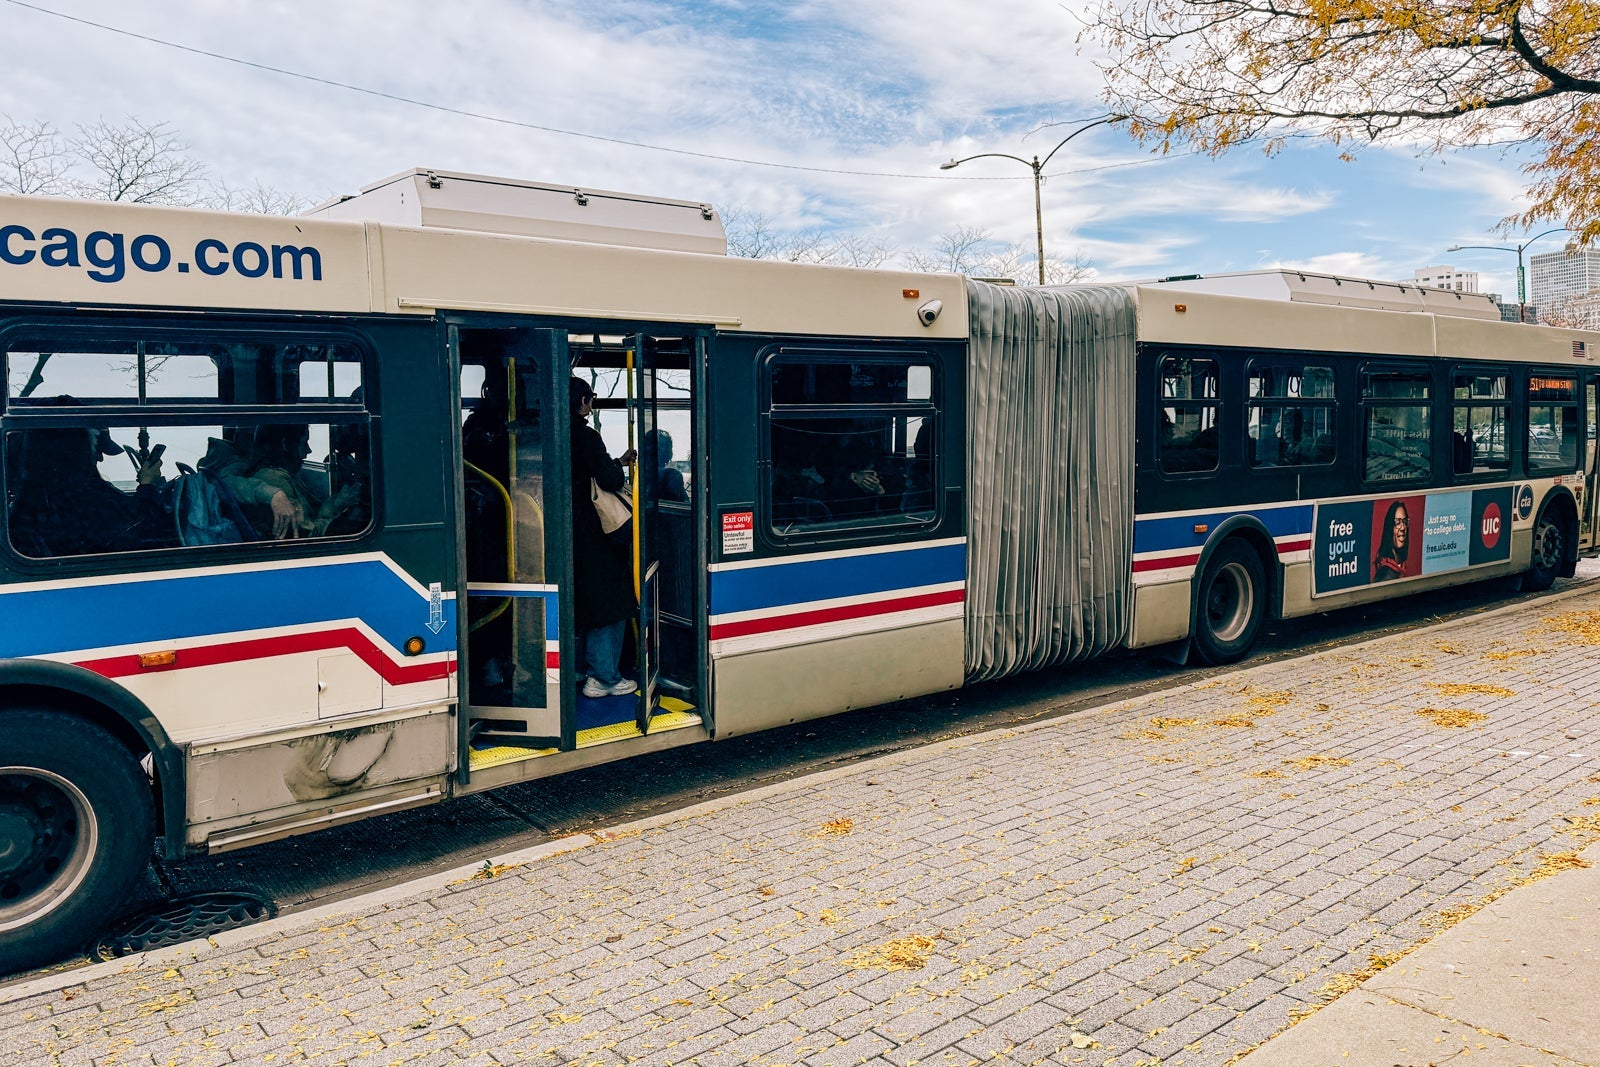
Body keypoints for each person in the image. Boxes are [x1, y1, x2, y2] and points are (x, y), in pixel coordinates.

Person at [8, 408, 168, 557]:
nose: (100, 457)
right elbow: (136, 527)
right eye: (96, 446)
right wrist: (148, 486)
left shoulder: (37, 495)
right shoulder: (78, 495)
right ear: (74, 449)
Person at [570, 377, 638, 698]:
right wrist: (619, 467)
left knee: (582, 600)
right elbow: (608, 479)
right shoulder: (585, 435)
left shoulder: (551, 433)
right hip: (595, 533)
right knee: (610, 601)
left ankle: (579, 666)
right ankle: (604, 677)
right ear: (583, 401)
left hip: (565, 531)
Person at [1374, 500, 1411, 581]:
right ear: (1389, 528)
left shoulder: (1402, 566)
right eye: (1397, 522)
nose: (1403, 527)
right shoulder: (1385, 574)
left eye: (1404, 521)